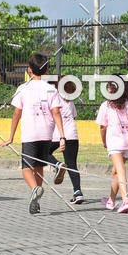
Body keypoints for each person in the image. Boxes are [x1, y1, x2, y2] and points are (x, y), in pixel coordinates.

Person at [1, 54, 65, 214]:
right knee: (39, 165)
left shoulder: (23, 88)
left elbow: (16, 113)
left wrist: (10, 137)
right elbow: (56, 112)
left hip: (30, 133)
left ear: (29, 70)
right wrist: (62, 136)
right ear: (47, 70)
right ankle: (35, 200)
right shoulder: (51, 89)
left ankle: (35, 188)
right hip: (47, 133)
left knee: (26, 167)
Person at [96, 78, 128, 213]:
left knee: (120, 170)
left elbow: (103, 127)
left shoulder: (106, 106)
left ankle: (126, 200)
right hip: (127, 142)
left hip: (114, 142)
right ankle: (111, 200)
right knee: (115, 171)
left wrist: (104, 142)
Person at [45, 76, 85, 204]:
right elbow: (73, 115)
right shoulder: (70, 99)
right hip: (72, 134)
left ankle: (57, 165)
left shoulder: (53, 97)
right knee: (72, 164)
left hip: (59, 134)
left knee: (42, 152)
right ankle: (77, 192)